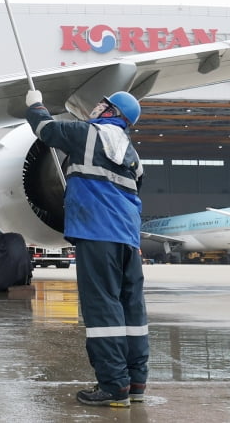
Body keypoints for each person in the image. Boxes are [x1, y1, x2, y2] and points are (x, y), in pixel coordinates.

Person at [25, 89, 148, 408]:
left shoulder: (89, 135)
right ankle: (135, 381)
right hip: (127, 238)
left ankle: (113, 386)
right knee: (130, 308)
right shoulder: (133, 157)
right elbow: (134, 199)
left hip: (98, 233)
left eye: (102, 104)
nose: (95, 107)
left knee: (102, 306)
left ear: (112, 112)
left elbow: (45, 129)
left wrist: (35, 104)